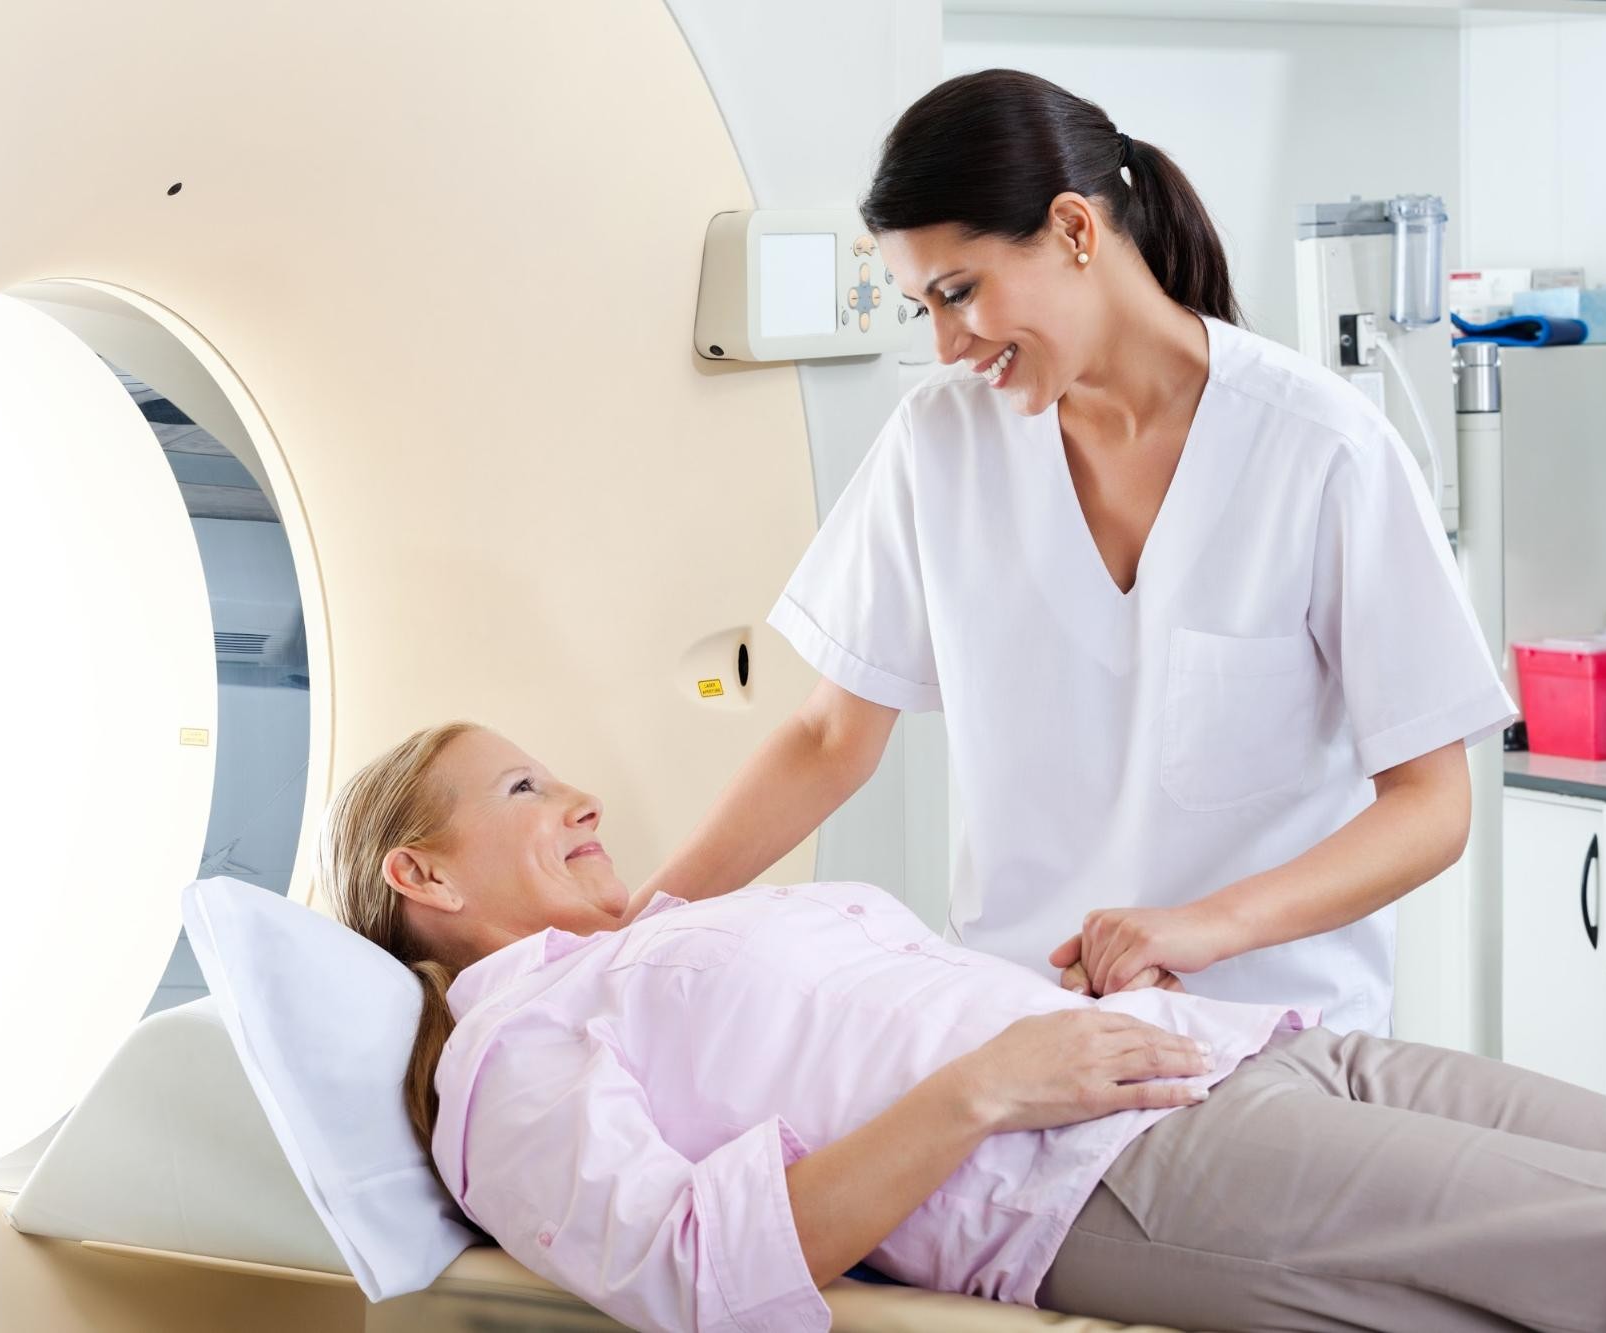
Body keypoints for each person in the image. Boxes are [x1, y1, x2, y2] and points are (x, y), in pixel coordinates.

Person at [642, 69, 1519, 1035]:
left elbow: (1430, 805)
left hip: (1267, 1033)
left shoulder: (1322, 450)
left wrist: (1202, 928)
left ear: (1072, 230)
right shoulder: (939, 442)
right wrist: (633, 931)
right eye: (921, 308)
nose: (945, 345)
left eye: (959, 293)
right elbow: (827, 739)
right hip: (1018, 1032)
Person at [318, 723, 1606, 1333]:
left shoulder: (655, 936)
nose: (579, 798)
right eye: (522, 788)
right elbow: (695, 1272)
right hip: (1100, 1168)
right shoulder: (509, 1053)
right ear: (420, 873)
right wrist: (984, 1087)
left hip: (1229, 1049)